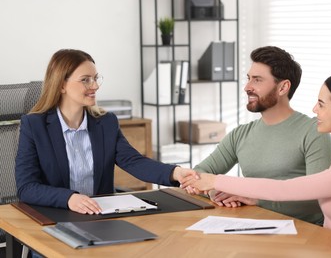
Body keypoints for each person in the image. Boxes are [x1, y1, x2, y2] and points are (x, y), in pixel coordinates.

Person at [183, 73, 331, 246]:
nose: (314, 109)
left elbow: (284, 189)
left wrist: (215, 180)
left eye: (321, 104)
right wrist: (254, 199)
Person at [15, 49, 197, 215]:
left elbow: (134, 161)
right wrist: (68, 198)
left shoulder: (105, 123)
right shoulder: (34, 125)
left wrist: (176, 173)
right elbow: (27, 187)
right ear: (62, 85)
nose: (95, 86)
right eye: (85, 80)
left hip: (100, 216)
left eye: (95, 78)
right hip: (55, 215)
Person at [189, 46, 331, 225]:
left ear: (283, 87)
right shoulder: (240, 134)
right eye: (249, 79)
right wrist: (215, 192)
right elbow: (198, 173)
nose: (247, 87)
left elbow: (318, 199)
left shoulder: (314, 132)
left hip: (304, 234)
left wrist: (256, 199)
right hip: (254, 227)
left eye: (257, 80)